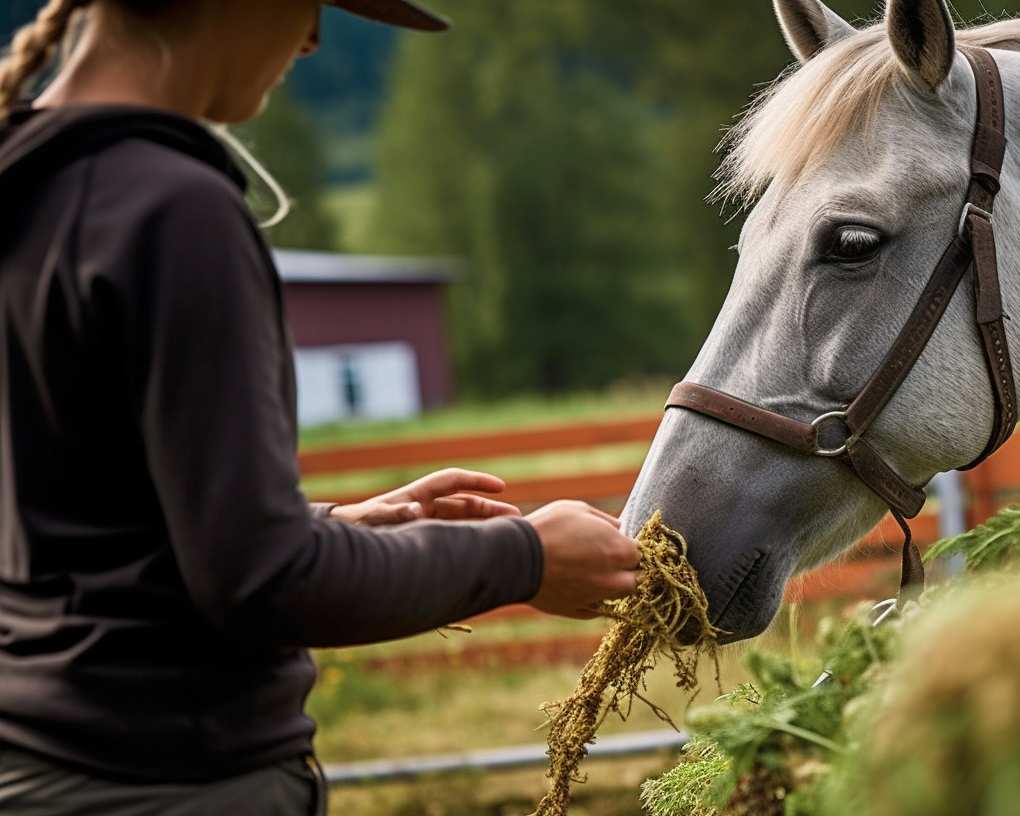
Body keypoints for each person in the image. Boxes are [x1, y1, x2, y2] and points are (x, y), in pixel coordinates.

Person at [0, 1, 645, 813]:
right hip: (171, 786)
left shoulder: (33, 184)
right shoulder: (173, 211)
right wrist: (527, 557)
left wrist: (335, 527)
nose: (310, 39)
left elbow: (92, 520)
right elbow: (264, 583)